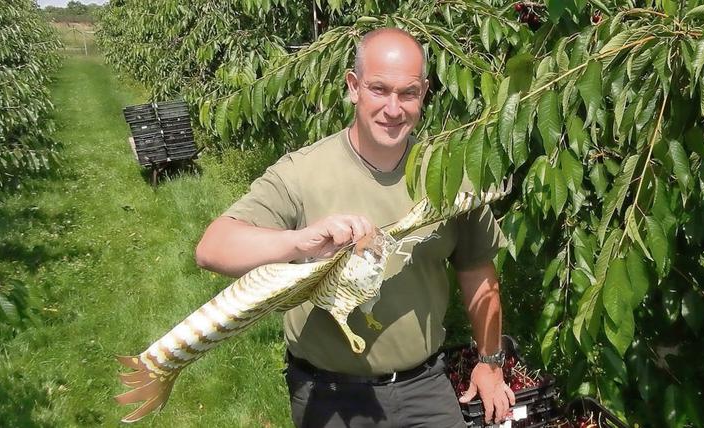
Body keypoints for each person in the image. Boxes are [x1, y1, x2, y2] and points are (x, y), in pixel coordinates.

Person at [194, 27, 515, 427]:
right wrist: (299, 242)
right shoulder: (303, 173)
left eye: (408, 93)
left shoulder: (448, 175)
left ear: (424, 93)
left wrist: (490, 362)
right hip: (331, 396)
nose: (393, 108)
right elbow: (213, 247)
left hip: (426, 389)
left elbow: (477, 270)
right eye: (379, 89)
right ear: (353, 87)